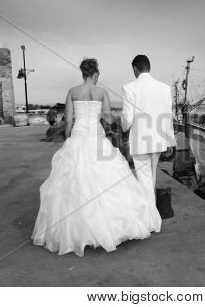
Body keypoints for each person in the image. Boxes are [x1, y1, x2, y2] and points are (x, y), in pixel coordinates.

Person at [31, 58, 161, 257]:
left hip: (79, 136)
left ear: (83, 73)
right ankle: (110, 227)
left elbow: (68, 121)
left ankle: (78, 231)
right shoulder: (102, 92)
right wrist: (114, 122)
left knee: (74, 182)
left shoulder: (72, 92)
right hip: (97, 137)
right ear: (95, 74)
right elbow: (108, 118)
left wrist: (68, 139)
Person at [121, 55, 176, 199]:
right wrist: (170, 141)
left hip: (140, 142)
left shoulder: (129, 88)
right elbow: (168, 116)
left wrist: (123, 128)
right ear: (149, 68)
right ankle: (152, 213)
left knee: (144, 181)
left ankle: (150, 216)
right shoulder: (164, 88)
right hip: (158, 141)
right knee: (151, 179)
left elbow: (127, 118)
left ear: (135, 68)